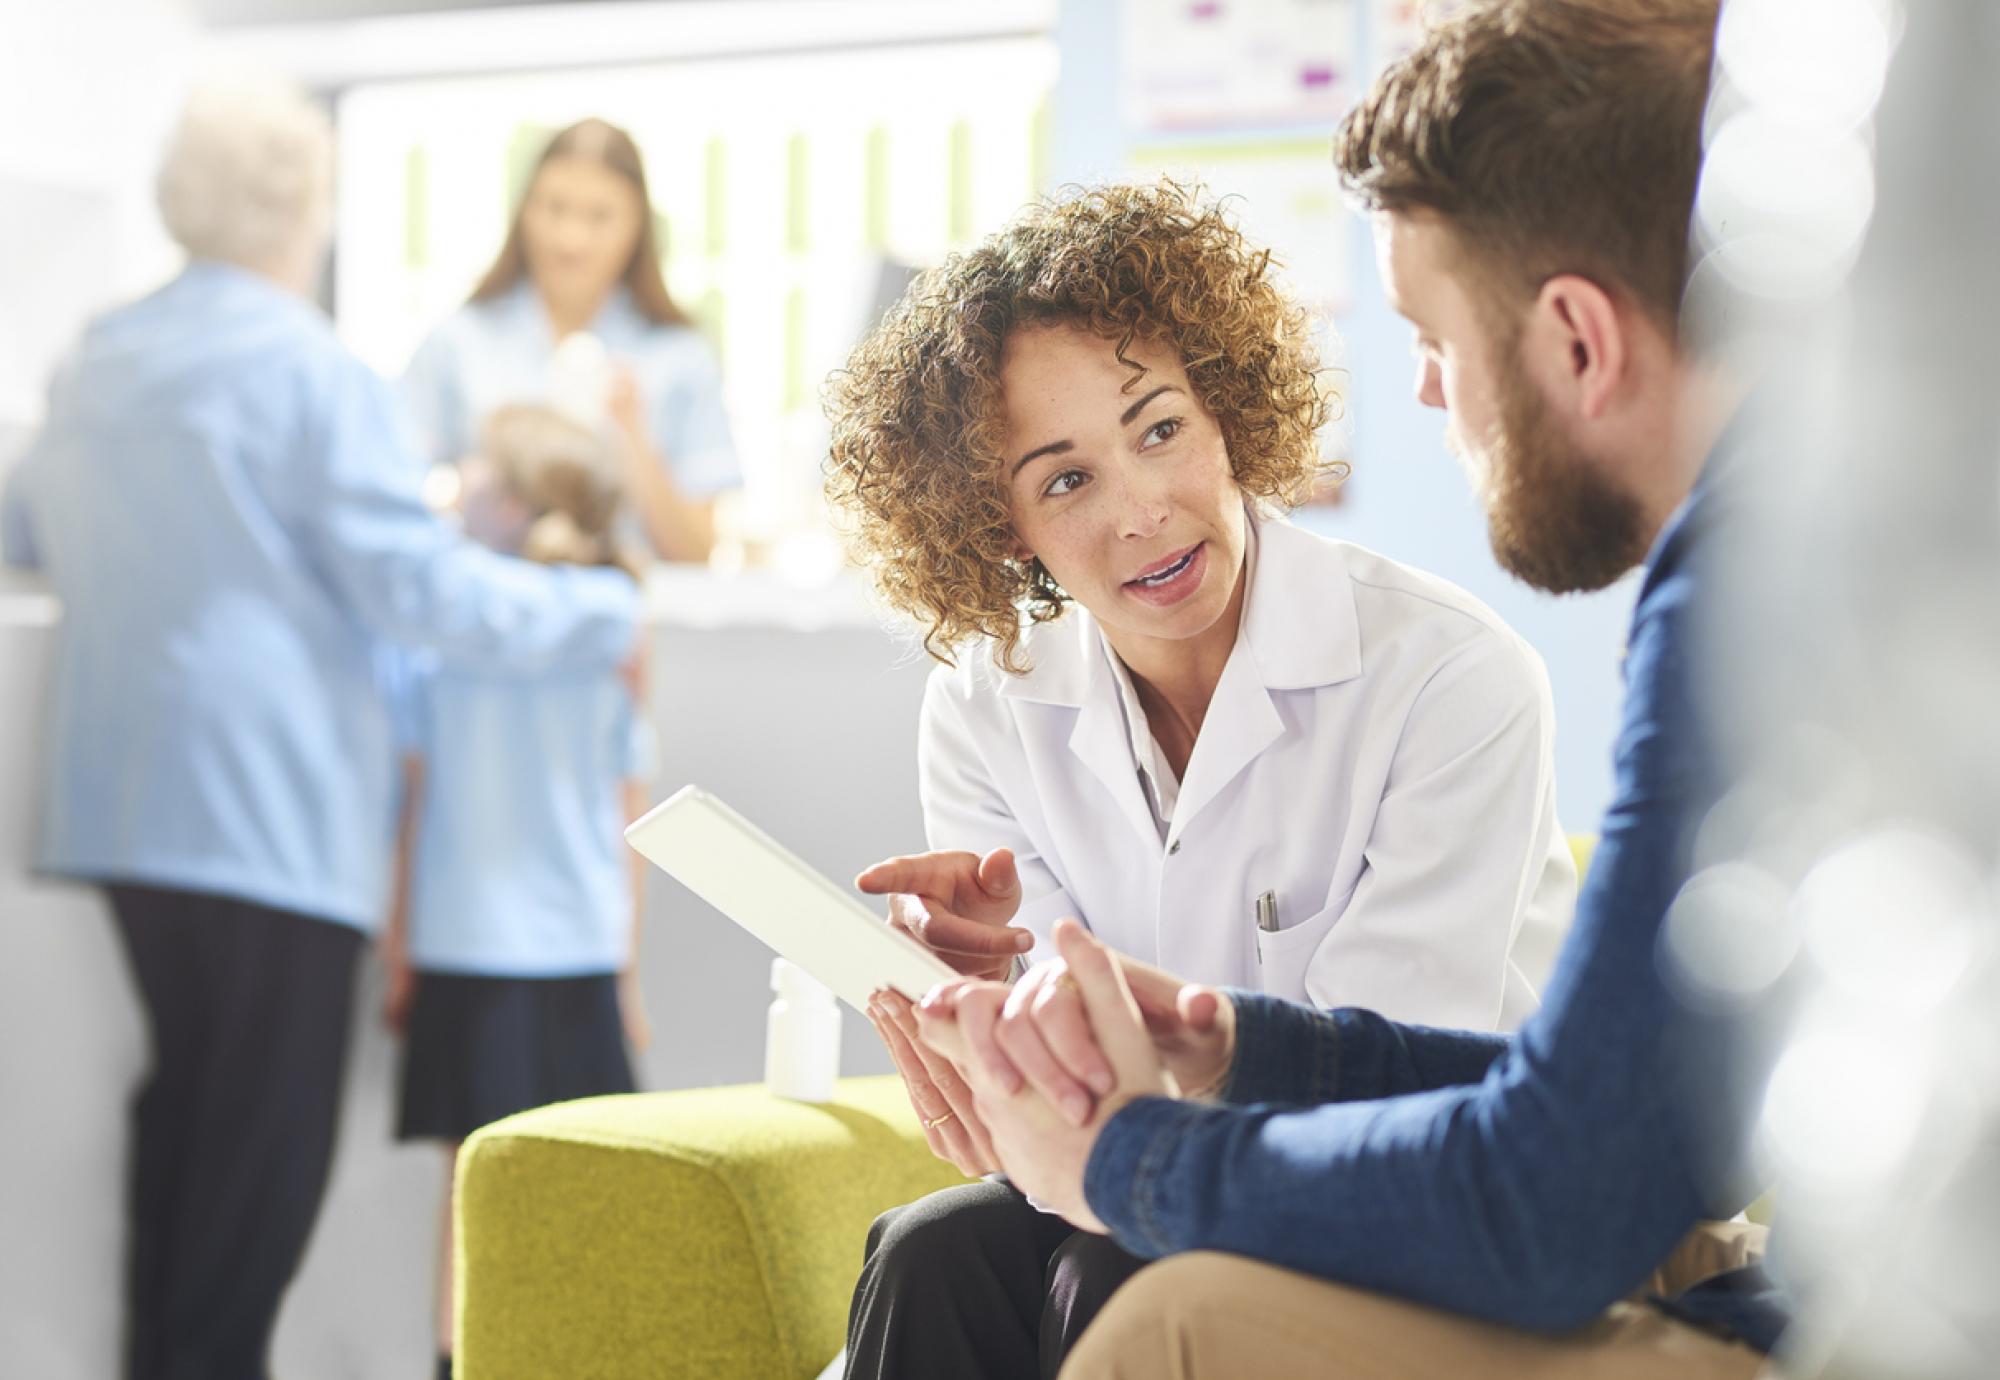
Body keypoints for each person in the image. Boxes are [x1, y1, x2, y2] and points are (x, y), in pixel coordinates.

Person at [908, 4, 1788, 1377]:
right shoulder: (1776, 568)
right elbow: (1602, 1103)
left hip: (1719, 1293)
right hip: (1611, 1231)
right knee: (936, 1258)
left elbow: (1551, 1190)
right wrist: (1225, 1044)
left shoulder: (1727, 616)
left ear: (1574, 337)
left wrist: (1138, 1157)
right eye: (1067, 476)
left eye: (1432, 337)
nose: (1429, 396)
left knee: (1156, 1310)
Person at [820, 179, 1577, 1380]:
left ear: (1225, 412)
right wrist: (980, 1016)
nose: (1143, 510)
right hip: (1140, 1181)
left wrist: (1079, 1090)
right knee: (925, 1252)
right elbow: (1052, 1113)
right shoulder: (983, 704)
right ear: (999, 526)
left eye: (1158, 428)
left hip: (1415, 1194)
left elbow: (1365, 1083)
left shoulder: (1449, 675)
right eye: (1063, 480)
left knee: (1118, 1273)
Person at [0, 80, 641, 1380]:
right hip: (268, 816)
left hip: (121, 806)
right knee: (264, 1141)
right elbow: (419, 588)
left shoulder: (97, 355)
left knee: (188, 1114)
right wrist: (592, 615)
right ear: (301, 208)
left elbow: (30, 531)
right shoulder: (310, 367)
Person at [380, 405, 657, 1380]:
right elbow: (631, 808)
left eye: (477, 472)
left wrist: (398, 947)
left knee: (472, 1187)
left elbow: (412, 805)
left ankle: (455, 1364)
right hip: (580, 938)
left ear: (517, 500)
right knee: (577, 1184)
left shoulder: (431, 630)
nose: (458, 481)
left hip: (463, 940)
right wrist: (626, 973)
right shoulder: (618, 619)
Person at [401, 118, 739, 563]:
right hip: (492, 612)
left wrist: (632, 437)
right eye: (554, 208)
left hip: (627, 621)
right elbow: (394, 499)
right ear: (524, 210)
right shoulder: (459, 341)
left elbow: (698, 553)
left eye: (600, 217)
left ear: (638, 226)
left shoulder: (680, 356)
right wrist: (467, 501)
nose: (571, 238)